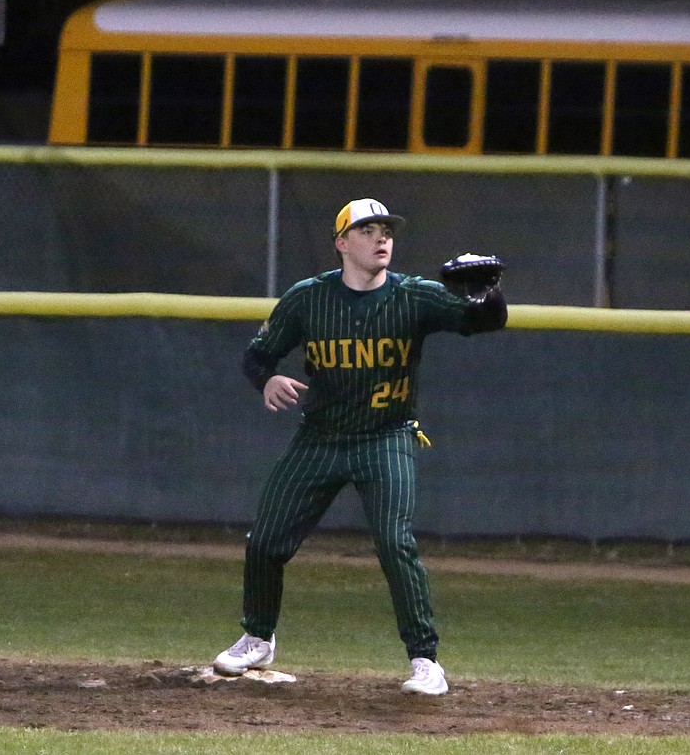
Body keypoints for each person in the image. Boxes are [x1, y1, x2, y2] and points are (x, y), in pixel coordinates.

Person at [212, 198, 507, 695]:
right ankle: (258, 637)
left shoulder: (413, 295)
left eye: (386, 229)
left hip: (386, 437)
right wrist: (266, 380)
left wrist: (488, 295)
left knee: (395, 543)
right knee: (264, 541)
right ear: (342, 243)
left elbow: (487, 322)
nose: (382, 238)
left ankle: (425, 661)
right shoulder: (308, 299)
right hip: (320, 438)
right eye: (368, 230)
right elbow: (256, 355)